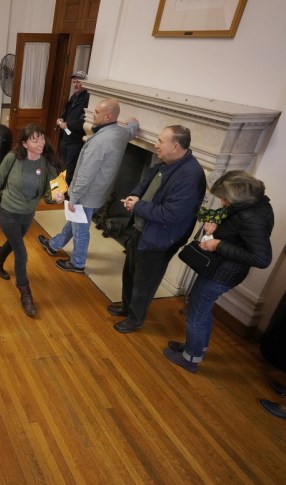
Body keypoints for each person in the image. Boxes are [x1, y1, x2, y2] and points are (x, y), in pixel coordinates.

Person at [164, 170, 274, 372]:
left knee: (197, 311)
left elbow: (261, 258)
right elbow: (235, 226)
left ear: (237, 195)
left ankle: (190, 359)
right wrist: (215, 223)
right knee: (199, 308)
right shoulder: (252, 204)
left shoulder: (252, 216)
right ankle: (194, 347)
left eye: (224, 198)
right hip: (218, 269)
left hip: (223, 273)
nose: (222, 202)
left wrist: (218, 245)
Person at [111, 125, 206, 333]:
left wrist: (137, 206)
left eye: (161, 141)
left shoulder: (190, 176)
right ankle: (127, 307)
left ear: (175, 145)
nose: (156, 145)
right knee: (130, 272)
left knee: (144, 282)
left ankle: (135, 319)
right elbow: (146, 182)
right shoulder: (166, 162)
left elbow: (170, 214)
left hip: (159, 239)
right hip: (142, 230)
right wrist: (134, 196)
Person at [38, 99, 139, 273]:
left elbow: (85, 175)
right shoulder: (120, 133)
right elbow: (130, 131)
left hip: (86, 193)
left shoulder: (101, 142)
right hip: (99, 191)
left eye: (97, 112)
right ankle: (54, 245)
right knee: (76, 223)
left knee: (81, 230)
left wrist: (73, 196)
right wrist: (134, 124)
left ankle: (77, 263)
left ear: (108, 116)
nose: (93, 114)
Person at [0, 124, 64, 317]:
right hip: (8, 212)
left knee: (13, 242)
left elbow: (56, 184)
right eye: (35, 140)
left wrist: (59, 195)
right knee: (21, 252)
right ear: (25, 143)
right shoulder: (13, 158)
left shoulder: (46, 161)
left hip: (28, 214)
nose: (41, 143)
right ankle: (25, 293)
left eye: (42, 138)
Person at [57, 71, 91, 186]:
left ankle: (62, 196)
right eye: (74, 82)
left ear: (85, 84)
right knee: (62, 167)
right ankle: (57, 193)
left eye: (79, 82)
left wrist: (68, 125)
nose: (75, 85)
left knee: (69, 171)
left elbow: (85, 122)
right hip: (65, 139)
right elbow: (66, 114)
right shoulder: (73, 97)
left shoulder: (87, 99)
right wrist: (61, 119)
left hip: (75, 141)